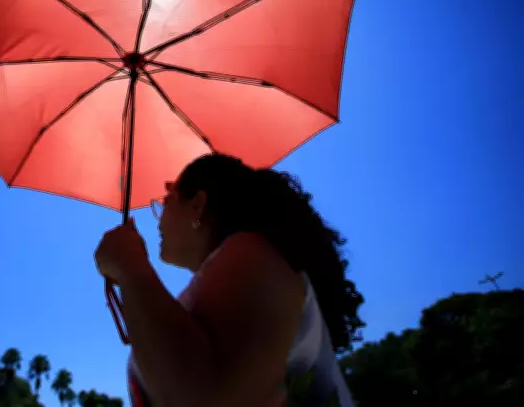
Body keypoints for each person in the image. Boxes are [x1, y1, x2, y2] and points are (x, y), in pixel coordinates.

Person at [94, 154, 364, 407]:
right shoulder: (243, 269)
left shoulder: (255, 255)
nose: (159, 219)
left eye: (166, 201)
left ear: (197, 205)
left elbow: (204, 397)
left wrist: (129, 267)